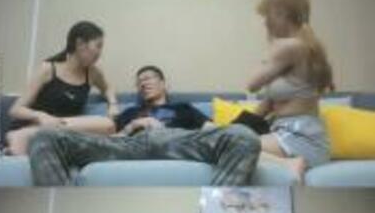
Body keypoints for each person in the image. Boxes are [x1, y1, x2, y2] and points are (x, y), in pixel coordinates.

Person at [28, 66, 262, 186]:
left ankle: (217, 209)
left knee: (243, 137)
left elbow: (210, 132)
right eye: (139, 82)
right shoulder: (130, 112)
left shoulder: (184, 109)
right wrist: (132, 126)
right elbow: (113, 138)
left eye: (148, 78)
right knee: (45, 137)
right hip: (129, 145)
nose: (143, 83)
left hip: (175, 141)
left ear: (164, 84)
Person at [246, 0, 334, 182]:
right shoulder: (308, 45)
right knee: (224, 140)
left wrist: (270, 51)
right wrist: (234, 128)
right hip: (298, 136)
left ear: (281, 13)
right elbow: (265, 106)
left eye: (267, 15)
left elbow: (252, 84)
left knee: (229, 146)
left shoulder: (290, 47)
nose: (265, 23)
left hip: (298, 137)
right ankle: (287, 162)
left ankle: (289, 164)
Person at [6, 21, 119, 155]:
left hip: (62, 134)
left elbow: (107, 88)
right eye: (98, 46)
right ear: (80, 44)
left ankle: (28, 137)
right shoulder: (48, 69)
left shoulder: (93, 72)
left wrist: (112, 104)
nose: (99, 53)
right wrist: (41, 116)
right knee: (107, 125)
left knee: (108, 126)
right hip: (39, 125)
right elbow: (15, 110)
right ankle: (24, 137)